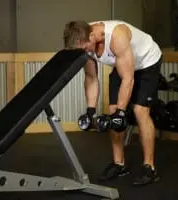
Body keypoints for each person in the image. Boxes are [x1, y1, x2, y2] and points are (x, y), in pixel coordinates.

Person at [63, 20, 162, 186]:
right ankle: (119, 164)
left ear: (92, 35)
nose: (85, 52)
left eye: (86, 48)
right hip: (122, 65)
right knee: (112, 110)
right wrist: (90, 110)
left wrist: (122, 113)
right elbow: (91, 77)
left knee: (139, 110)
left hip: (147, 62)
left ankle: (149, 167)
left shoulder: (117, 36)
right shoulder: (83, 42)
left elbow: (128, 78)